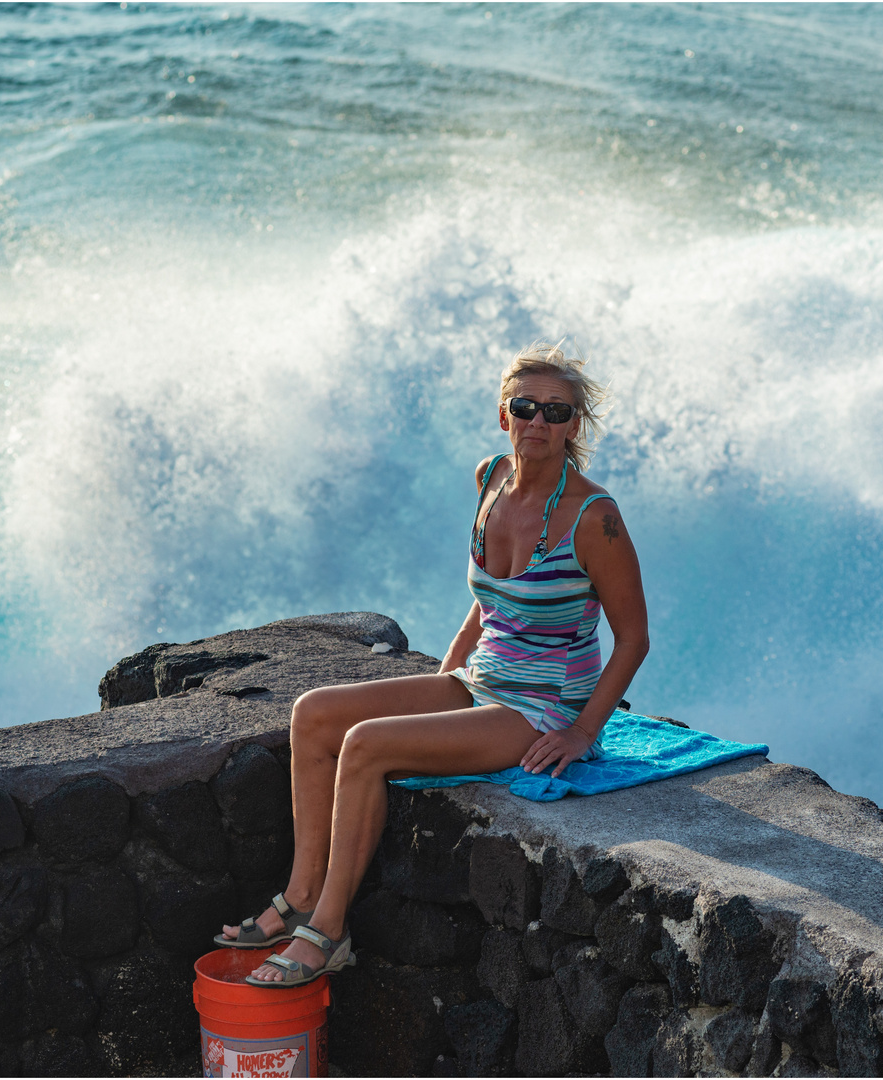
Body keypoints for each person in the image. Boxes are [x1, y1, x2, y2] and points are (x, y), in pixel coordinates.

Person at [222, 341, 649, 987]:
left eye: (557, 413)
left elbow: (634, 637)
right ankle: (303, 892)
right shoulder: (489, 480)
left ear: (574, 426)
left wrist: (582, 732)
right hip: (479, 680)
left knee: (365, 744)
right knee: (312, 713)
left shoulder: (594, 516)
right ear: (503, 415)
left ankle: (327, 930)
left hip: (539, 706)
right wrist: (442, 678)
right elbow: (487, 604)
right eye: (525, 407)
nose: (539, 422)